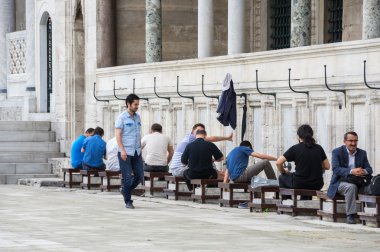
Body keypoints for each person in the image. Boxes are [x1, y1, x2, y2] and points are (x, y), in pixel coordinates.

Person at [327, 131, 373, 224]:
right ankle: (350, 215)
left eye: (355, 141)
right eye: (350, 141)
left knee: (371, 188)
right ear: (345, 141)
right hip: (340, 182)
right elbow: (336, 169)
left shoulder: (362, 153)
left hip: (358, 181)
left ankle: (372, 214)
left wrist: (363, 171)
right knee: (351, 187)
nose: (353, 143)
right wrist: (352, 171)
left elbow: (369, 169)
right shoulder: (337, 152)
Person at [276, 124, 330, 196]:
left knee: (282, 178)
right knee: (305, 179)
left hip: (299, 184)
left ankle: (287, 202)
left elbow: (278, 163)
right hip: (317, 184)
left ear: (299, 136)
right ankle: (305, 202)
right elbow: (327, 166)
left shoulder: (295, 148)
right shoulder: (319, 148)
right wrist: (314, 164)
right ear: (311, 135)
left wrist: (283, 171)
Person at [116, 94, 143, 209]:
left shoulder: (137, 117)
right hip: (125, 151)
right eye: (135, 104)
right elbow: (118, 135)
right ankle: (128, 201)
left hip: (137, 151)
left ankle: (125, 190)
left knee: (139, 176)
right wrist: (122, 150)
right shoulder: (121, 117)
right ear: (129, 104)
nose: (137, 106)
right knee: (127, 177)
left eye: (138, 104)